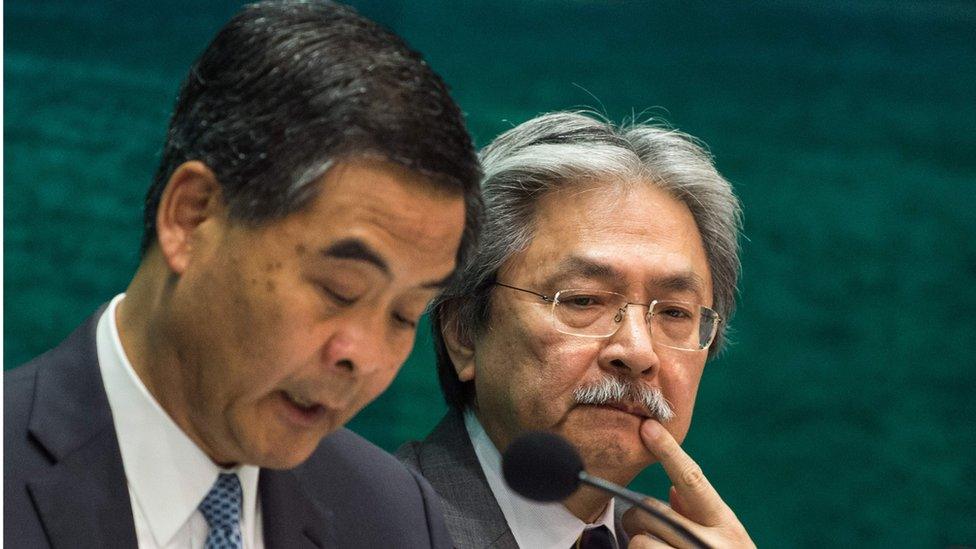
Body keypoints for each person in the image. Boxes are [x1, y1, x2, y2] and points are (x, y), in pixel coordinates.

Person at [4, 1, 482, 547]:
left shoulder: (395, 516)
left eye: (404, 315)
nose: (364, 358)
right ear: (192, 216)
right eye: (339, 290)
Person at [397, 111, 754, 548]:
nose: (639, 352)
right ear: (463, 333)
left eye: (675, 313)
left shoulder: (660, 538)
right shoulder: (365, 526)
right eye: (584, 300)